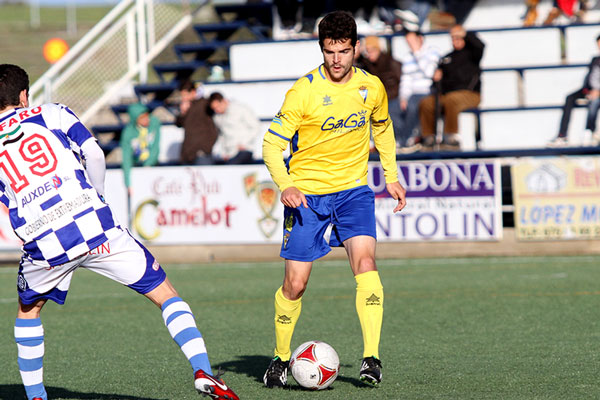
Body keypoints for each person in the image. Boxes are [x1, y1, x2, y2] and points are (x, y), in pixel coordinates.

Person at [0, 64, 238, 400]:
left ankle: (36, 396)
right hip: (96, 226)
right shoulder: (51, 112)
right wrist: (96, 196)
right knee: (165, 293)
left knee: (29, 312)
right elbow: (94, 152)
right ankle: (203, 371)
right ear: (24, 95)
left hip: (45, 243)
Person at [261, 11, 407, 389]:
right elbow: (272, 145)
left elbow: (384, 129)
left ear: (356, 48)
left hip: (354, 191)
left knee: (366, 262)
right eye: (330, 52)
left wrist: (391, 176)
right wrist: (285, 185)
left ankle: (371, 359)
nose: (337, 59)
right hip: (307, 197)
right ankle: (279, 359)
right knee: (295, 284)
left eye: (344, 51)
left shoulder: (371, 87)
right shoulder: (303, 90)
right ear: (321, 49)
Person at [418, 24, 484, 150]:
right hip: (447, 94)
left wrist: (465, 33)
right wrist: (437, 77)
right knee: (426, 103)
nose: (456, 40)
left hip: (470, 94)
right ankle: (429, 138)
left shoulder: (473, 55)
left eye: (458, 37)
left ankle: (451, 137)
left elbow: (480, 45)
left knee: (451, 100)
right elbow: (439, 82)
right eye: (453, 38)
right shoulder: (447, 58)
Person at [548, 34, 600, 147]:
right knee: (570, 98)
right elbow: (589, 78)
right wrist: (588, 91)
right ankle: (562, 135)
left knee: (595, 101)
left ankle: (590, 131)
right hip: (590, 90)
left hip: (598, 92)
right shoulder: (595, 60)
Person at [397, 29, 440, 151]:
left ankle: (407, 140)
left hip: (429, 91)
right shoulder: (407, 57)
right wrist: (403, 97)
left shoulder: (433, 52)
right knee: (395, 108)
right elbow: (406, 80)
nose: (410, 45)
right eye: (408, 42)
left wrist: (417, 52)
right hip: (413, 93)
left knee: (414, 106)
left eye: (412, 41)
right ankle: (403, 139)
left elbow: (430, 72)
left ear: (420, 39)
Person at [358, 35, 403, 145]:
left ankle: (397, 140)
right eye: (367, 51)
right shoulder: (366, 64)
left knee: (393, 115)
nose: (370, 53)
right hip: (375, 99)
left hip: (392, 97)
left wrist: (402, 97)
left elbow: (401, 81)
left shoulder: (391, 62)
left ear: (379, 49)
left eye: (372, 50)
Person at [208, 92, 261, 164]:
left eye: (218, 106)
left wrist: (244, 143)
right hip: (229, 153)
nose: (217, 110)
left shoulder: (240, 109)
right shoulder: (217, 117)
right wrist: (223, 152)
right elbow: (222, 135)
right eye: (214, 108)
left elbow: (256, 127)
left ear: (224, 101)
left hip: (244, 150)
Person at [120, 103, 161, 193]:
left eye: (147, 116)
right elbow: (126, 158)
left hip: (153, 165)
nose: (147, 119)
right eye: (142, 117)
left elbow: (155, 147)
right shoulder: (128, 132)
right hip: (137, 168)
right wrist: (128, 183)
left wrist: (148, 165)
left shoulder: (154, 123)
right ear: (135, 119)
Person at [175, 80, 218, 165]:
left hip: (202, 154)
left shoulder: (204, 104)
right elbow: (178, 124)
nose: (183, 98)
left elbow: (212, 109)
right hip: (187, 153)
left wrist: (205, 148)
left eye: (185, 95)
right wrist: (183, 113)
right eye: (182, 95)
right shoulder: (186, 107)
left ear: (193, 92)